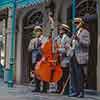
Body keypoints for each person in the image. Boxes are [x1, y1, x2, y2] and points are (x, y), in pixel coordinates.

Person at [69, 18, 90, 98]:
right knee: (73, 75)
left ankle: (81, 92)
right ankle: (75, 91)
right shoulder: (74, 33)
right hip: (73, 55)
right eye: (74, 23)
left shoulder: (85, 32)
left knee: (79, 75)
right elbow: (71, 44)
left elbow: (87, 44)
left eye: (77, 23)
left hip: (80, 56)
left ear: (81, 23)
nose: (75, 24)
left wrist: (78, 39)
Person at [28, 26, 49, 93]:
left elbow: (47, 48)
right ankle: (37, 87)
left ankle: (45, 88)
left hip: (43, 58)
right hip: (35, 58)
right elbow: (29, 49)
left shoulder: (45, 39)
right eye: (35, 31)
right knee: (36, 73)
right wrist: (33, 46)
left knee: (44, 73)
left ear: (41, 32)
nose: (37, 33)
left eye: (38, 31)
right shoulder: (33, 40)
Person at [55, 24, 71, 94]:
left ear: (65, 31)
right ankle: (59, 89)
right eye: (60, 29)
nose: (60, 30)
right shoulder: (57, 38)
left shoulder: (68, 39)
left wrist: (59, 50)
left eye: (61, 29)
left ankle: (66, 90)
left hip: (65, 60)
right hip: (58, 59)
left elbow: (67, 50)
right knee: (58, 75)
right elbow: (55, 47)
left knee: (65, 75)